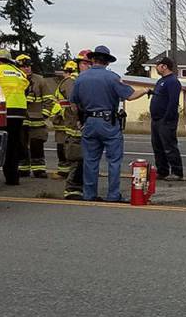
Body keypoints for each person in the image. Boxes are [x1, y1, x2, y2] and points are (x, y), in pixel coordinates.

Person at [70, 45, 148, 202]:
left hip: (89, 122)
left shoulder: (81, 78)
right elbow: (130, 95)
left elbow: (73, 104)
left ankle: (89, 194)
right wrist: (145, 90)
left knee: (90, 160)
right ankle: (113, 195)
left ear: (92, 60)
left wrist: (80, 119)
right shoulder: (112, 77)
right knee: (113, 161)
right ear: (107, 62)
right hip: (108, 123)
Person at [55, 51, 92, 199]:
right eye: (84, 63)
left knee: (86, 159)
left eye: (90, 63)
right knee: (78, 159)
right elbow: (75, 103)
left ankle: (82, 188)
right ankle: (72, 190)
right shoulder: (72, 82)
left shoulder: (84, 80)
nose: (88, 67)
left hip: (84, 126)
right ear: (77, 65)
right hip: (75, 127)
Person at [0, 49, 29, 186]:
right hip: (19, 111)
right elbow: (26, 87)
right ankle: (13, 178)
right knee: (13, 144)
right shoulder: (18, 72)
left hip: (2, 110)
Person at [16, 53, 54, 179]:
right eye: (24, 67)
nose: (27, 68)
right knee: (21, 144)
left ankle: (39, 169)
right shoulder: (15, 80)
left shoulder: (40, 80)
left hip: (37, 119)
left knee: (37, 144)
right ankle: (23, 168)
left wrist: (44, 114)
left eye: (28, 66)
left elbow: (49, 99)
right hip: (21, 119)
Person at [149, 57, 184, 181]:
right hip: (156, 119)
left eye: (158, 65)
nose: (156, 67)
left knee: (169, 146)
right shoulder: (160, 81)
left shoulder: (172, 81)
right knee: (157, 146)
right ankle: (162, 170)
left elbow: (173, 101)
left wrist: (167, 117)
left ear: (164, 66)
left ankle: (177, 171)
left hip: (166, 120)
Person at [50, 60, 79, 179]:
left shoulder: (69, 82)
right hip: (66, 118)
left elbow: (72, 99)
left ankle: (64, 172)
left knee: (64, 145)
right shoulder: (76, 81)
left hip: (66, 119)